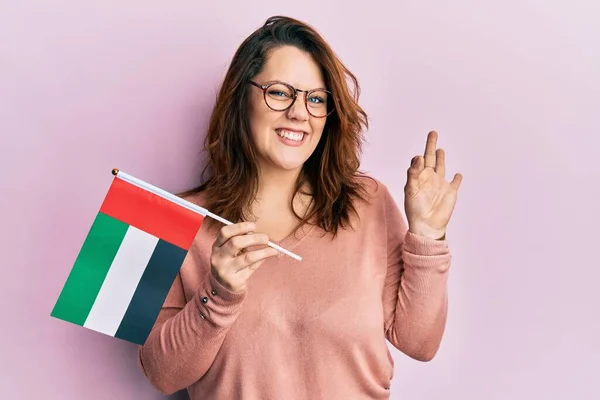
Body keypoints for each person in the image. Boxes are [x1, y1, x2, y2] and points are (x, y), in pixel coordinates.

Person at [138, 15, 463, 400]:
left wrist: (427, 237)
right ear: (241, 97)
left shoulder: (369, 202)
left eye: (315, 98)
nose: (299, 113)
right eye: (279, 92)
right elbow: (161, 375)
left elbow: (419, 343)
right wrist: (218, 293)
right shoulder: (170, 218)